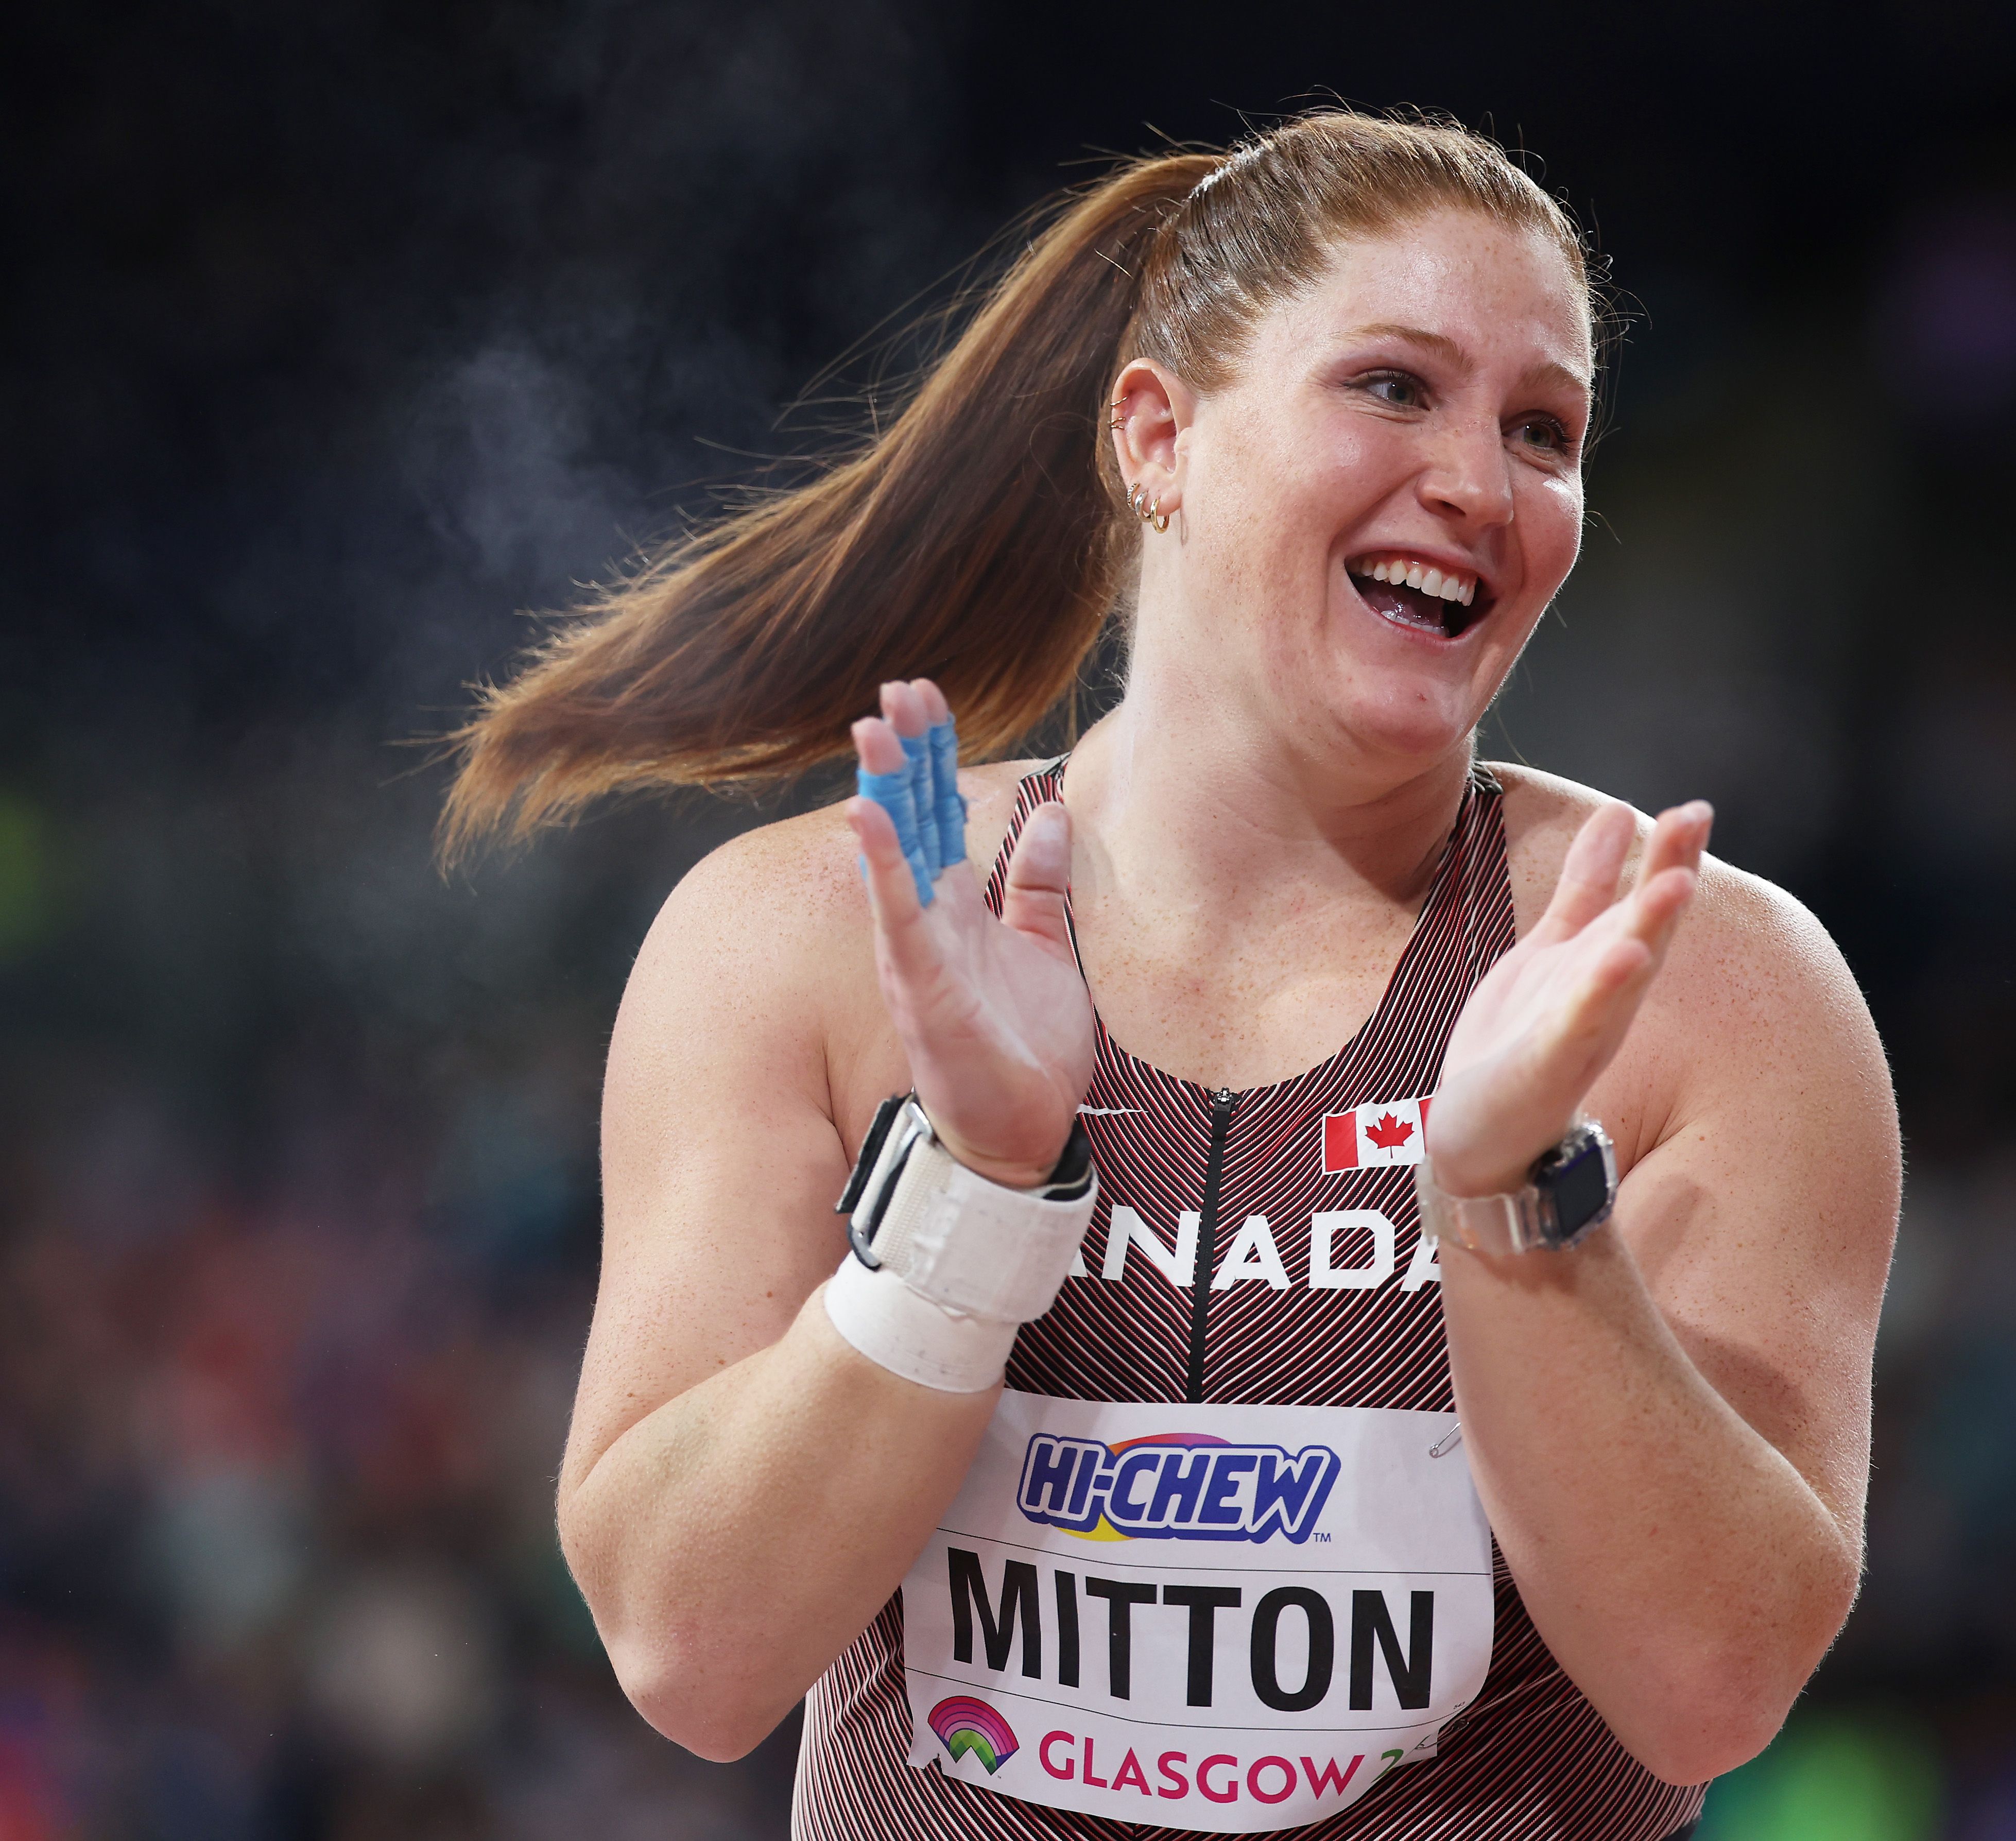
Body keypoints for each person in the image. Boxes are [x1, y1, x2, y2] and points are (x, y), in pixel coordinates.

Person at [442, 110, 1898, 1841]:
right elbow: (689, 1650)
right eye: (1390, 387)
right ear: (1159, 434)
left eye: (1542, 431)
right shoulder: (811, 935)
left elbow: (1709, 1686)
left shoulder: (1692, 980)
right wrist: (974, 1200)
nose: (1480, 483)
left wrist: (1514, 1206)